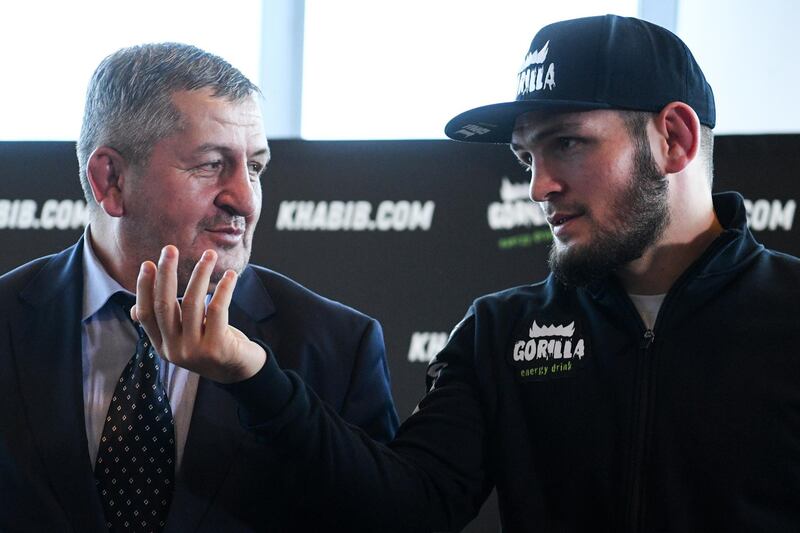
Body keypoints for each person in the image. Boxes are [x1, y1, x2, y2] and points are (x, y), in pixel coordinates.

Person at [95, 15, 800, 533]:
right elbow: (402, 508)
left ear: (673, 138)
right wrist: (254, 373)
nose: (540, 186)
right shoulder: (502, 331)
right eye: (527, 157)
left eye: (568, 145)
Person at [0, 43, 398, 532]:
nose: (245, 200)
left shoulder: (336, 345)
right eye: (211, 164)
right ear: (112, 180)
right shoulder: (7, 322)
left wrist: (261, 386)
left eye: (255, 167)